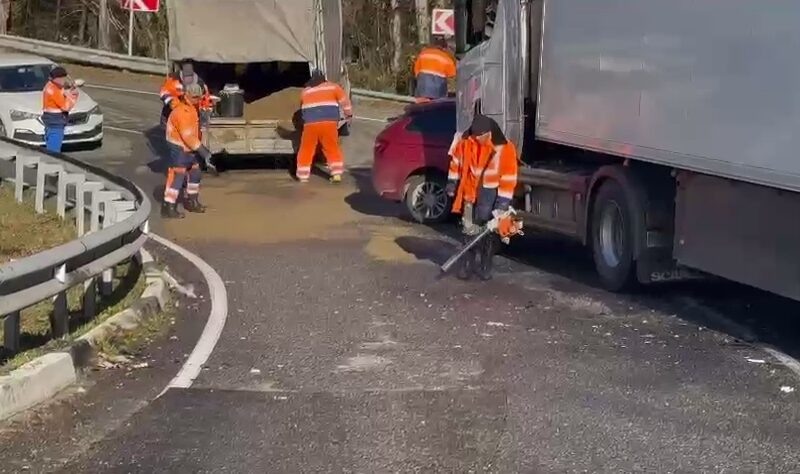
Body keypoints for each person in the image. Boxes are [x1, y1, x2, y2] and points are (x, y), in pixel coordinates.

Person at [446, 114, 519, 280]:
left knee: (487, 232)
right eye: (476, 135)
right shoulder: (465, 142)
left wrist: (502, 204)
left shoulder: (504, 148)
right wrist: (451, 182)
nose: (478, 138)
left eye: (481, 136)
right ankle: (467, 265)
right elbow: (455, 162)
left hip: (489, 194)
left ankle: (485, 265)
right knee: (468, 230)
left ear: (489, 133)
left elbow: (508, 177)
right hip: (469, 192)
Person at [162, 83, 214, 218]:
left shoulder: (191, 108)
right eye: (196, 97)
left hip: (190, 148)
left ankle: (192, 201)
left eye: (199, 97)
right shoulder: (182, 112)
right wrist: (204, 152)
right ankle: (169, 206)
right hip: (179, 148)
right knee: (177, 177)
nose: (198, 100)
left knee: (195, 173)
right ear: (188, 96)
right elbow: (188, 136)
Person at [296, 70, 353, 183]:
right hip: (329, 123)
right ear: (324, 79)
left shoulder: (305, 92)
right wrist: (349, 114)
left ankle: (303, 175)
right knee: (331, 147)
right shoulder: (333, 87)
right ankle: (336, 173)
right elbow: (345, 102)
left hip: (310, 124)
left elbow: (302, 109)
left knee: (306, 148)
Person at [159, 61, 213, 130]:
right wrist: (171, 101)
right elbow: (164, 92)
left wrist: (205, 109)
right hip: (170, 115)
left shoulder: (200, 84)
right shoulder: (173, 80)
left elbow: (205, 98)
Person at [41, 66, 79, 153]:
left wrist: (69, 89)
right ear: (56, 78)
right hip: (55, 122)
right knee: (54, 151)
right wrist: (73, 96)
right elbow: (65, 107)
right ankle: (52, 165)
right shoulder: (53, 90)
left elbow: (63, 92)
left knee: (51, 146)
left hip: (52, 121)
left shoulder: (53, 86)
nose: (64, 80)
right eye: (62, 78)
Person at [412, 37, 456, 103]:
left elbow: (416, 71)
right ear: (444, 48)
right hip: (438, 91)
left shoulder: (423, 54)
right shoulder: (447, 59)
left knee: (421, 106)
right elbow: (452, 76)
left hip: (422, 88)